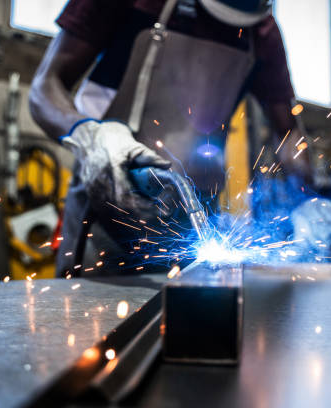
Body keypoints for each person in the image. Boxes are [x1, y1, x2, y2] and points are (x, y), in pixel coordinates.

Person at [29, 0, 310, 276]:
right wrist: (89, 136)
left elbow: (288, 133)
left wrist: (308, 199)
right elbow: (44, 88)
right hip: (108, 203)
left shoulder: (261, 31)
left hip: (196, 220)